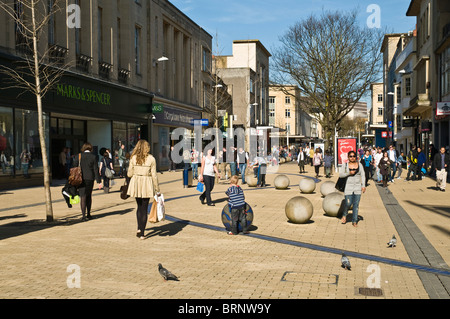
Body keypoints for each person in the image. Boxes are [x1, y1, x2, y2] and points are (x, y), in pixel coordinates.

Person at [127, 139, 161, 239]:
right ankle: (142, 233)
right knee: (144, 208)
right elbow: (154, 175)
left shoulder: (133, 158)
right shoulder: (151, 159)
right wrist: (157, 188)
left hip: (136, 182)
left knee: (139, 206)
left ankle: (138, 228)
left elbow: (129, 173)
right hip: (147, 183)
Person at [73, 143, 102, 221]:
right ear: (90, 149)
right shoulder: (93, 157)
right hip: (90, 178)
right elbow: (96, 169)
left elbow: (74, 167)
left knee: (83, 196)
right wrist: (99, 181)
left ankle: (83, 215)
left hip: (81, 178)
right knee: (89, 196)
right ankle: (89, 214)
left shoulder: (78, 156)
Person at [339, 151, 366, 227]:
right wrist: (349, 173)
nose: (352, 157)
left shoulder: (359, 165)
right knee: (348, 203)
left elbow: (363, 175)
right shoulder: (345, 165)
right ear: (348, 157)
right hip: (348, 187)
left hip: (357, 187)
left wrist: (363, 185)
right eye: (350, 156)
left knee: (356, 205)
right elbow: (341, 175)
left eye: (354, 156)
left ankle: (354, 221)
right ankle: (344, 214)